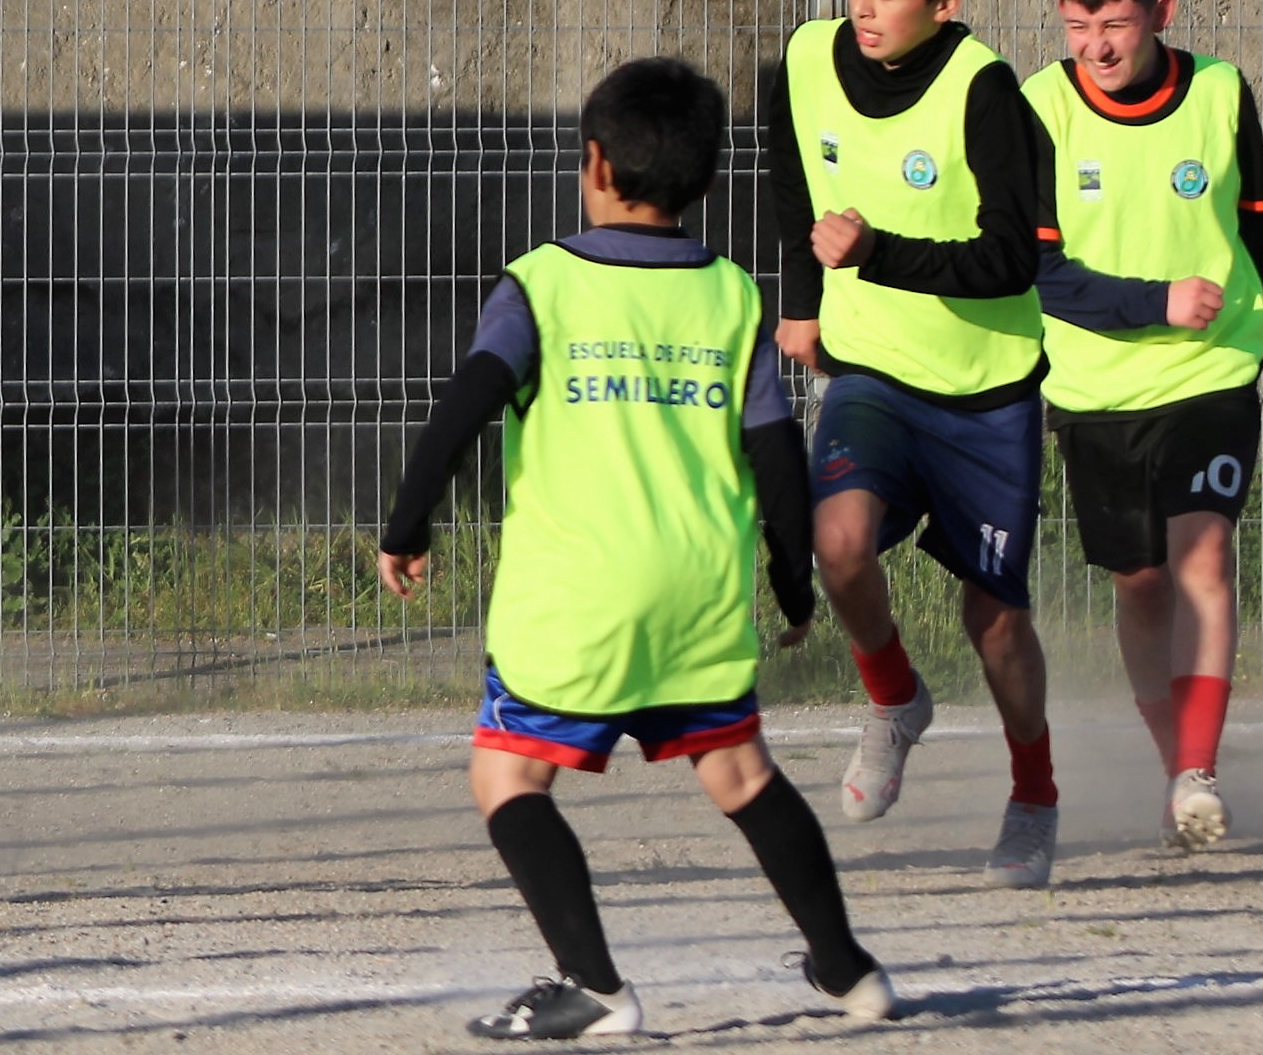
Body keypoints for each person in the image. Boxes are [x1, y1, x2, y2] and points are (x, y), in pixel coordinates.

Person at [381, 57, 894, 1039]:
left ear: (596, 163)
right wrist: (792, 584)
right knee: (742, 774)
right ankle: (848, 969)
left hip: (576, 597)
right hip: (697, 591)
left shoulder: (541, 283)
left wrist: (407, 527)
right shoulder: (731, 294)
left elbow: (463, 406)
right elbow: (776, 452)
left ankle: (596, 986)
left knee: (507, 776)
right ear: (703, 180)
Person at [765, 0, 1061, 888]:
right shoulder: (807, 59)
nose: (865, 4)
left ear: (946, 0)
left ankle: (1034, 794)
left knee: (995, 622)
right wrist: (802, 302)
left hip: (984, 393)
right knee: (838, 540)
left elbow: (1012, 259)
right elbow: (793, 187)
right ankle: (894, 698)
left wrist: (877, 252)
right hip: (872, 374)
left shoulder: (985, 90)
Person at [1020, 0, 1263, 851]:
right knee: (1141, 584)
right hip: (1095, 389)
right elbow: (1040, 273)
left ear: (1161, 11)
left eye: (1115, 23)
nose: (1096, 46)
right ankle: (1173, 770)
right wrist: (1155, 301)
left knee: (1202, 557)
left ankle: (1197, 771)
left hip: (1212, 371)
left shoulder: (1219, 91)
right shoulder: (1040, 109)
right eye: (1077, 26)